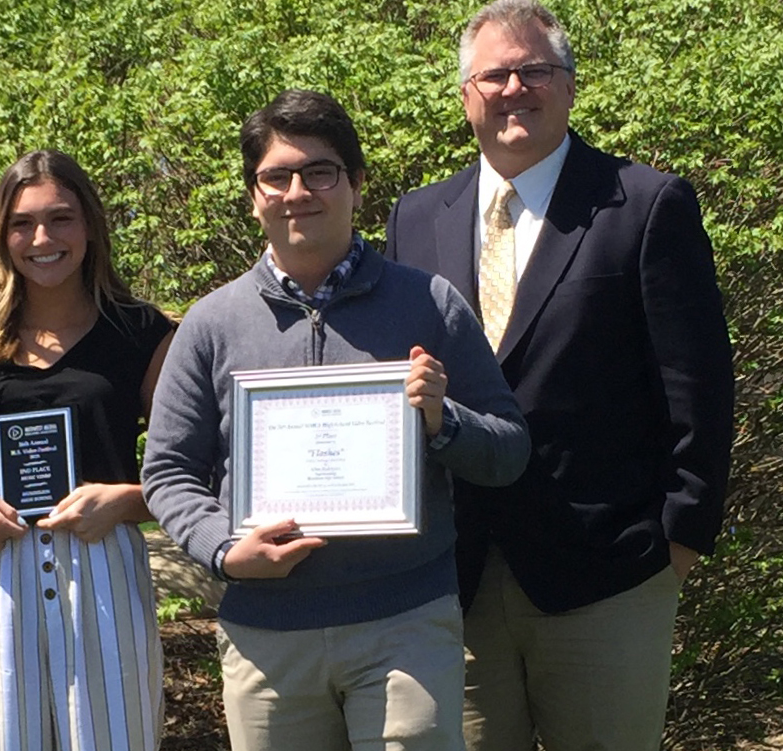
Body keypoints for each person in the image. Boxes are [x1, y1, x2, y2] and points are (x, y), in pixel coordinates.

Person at [384, 1, 735, 749]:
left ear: (569, 87)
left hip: (609, 574)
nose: (515, 88)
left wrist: (679, 540)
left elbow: (696, 386)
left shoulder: (642, 205)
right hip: (458, 575)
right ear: (465, 96)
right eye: (495, 74)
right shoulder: (414, 218)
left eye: (534, 70)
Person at [142, 89, 531, 751]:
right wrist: (225, 551)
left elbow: (509, 450)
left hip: (404, 623)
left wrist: (443, 419)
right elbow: (169, 472)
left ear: (355, 184)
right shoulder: (212, 324)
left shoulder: (428, 303)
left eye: (319, 172)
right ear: (253, 195)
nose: (297, 191)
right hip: (265, 635)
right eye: (276, 176)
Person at [0, 149, 173, 751]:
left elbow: (188, 475)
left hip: (102, 568)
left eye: (61, 218)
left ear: (89, 224)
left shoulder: (145, 333)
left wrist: (126, 500)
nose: (42, 238)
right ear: (1, 235)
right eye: (22, 223)